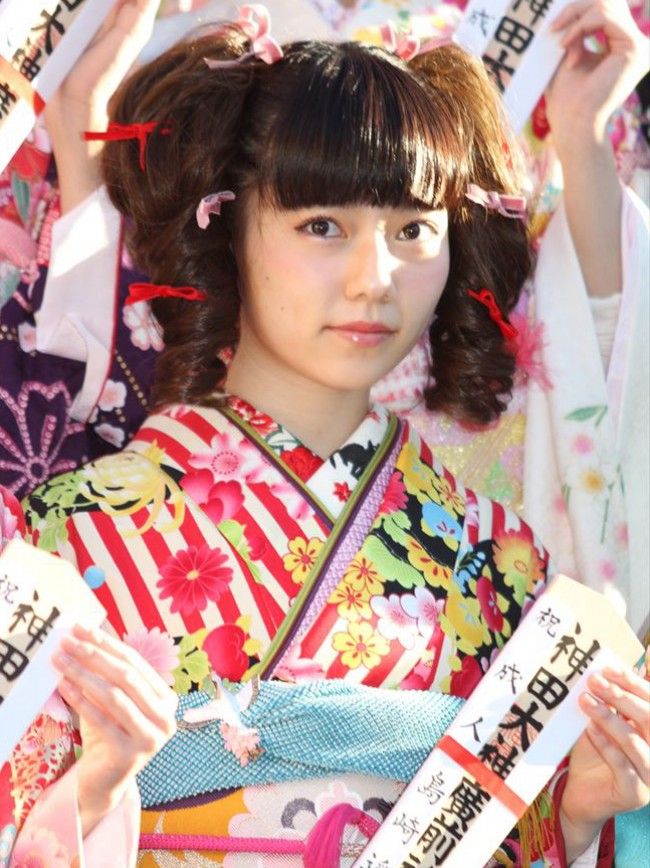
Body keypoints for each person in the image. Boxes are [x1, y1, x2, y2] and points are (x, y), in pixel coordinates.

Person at [1, 13, 649, 866]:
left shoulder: (501, 562)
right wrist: (90, 798)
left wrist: (574, 819)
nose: (374, 280)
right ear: (225, 225)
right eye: (321, 226)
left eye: (413, 230)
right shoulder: (63, 537)